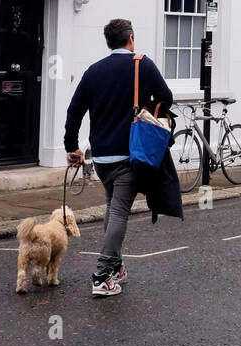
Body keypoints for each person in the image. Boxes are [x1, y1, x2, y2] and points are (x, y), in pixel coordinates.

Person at [64, 18, 173, 298]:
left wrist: (72, 147)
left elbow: (74, 111)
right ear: (131, 38)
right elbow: (166, 97)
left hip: (101, 157)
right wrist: (147, 110)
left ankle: (115, 267)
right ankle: (102, 276)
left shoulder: (93, 71)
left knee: (113, 207)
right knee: (119, 211)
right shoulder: (142, 65)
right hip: (130, 153)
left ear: (108, 42)